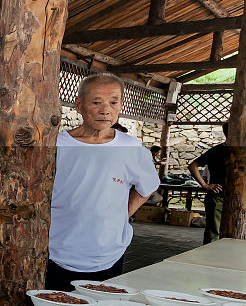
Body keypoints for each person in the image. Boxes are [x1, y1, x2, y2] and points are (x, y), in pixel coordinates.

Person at [45, 73, 161, 291]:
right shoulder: (56, 145)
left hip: (109, 251)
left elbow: (147, 187)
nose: (105, 109)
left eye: (113, 102)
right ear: (79, 104)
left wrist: (122, 215)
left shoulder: (131, 149)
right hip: (56, 249)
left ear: (121, 105)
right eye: (96, 102)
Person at [189, 124, 230, 244]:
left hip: (235, 197)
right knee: (214, 232)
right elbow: (193, 165)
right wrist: (205, 185)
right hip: (218, 196)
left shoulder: (242, 151)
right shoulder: (217, 150)